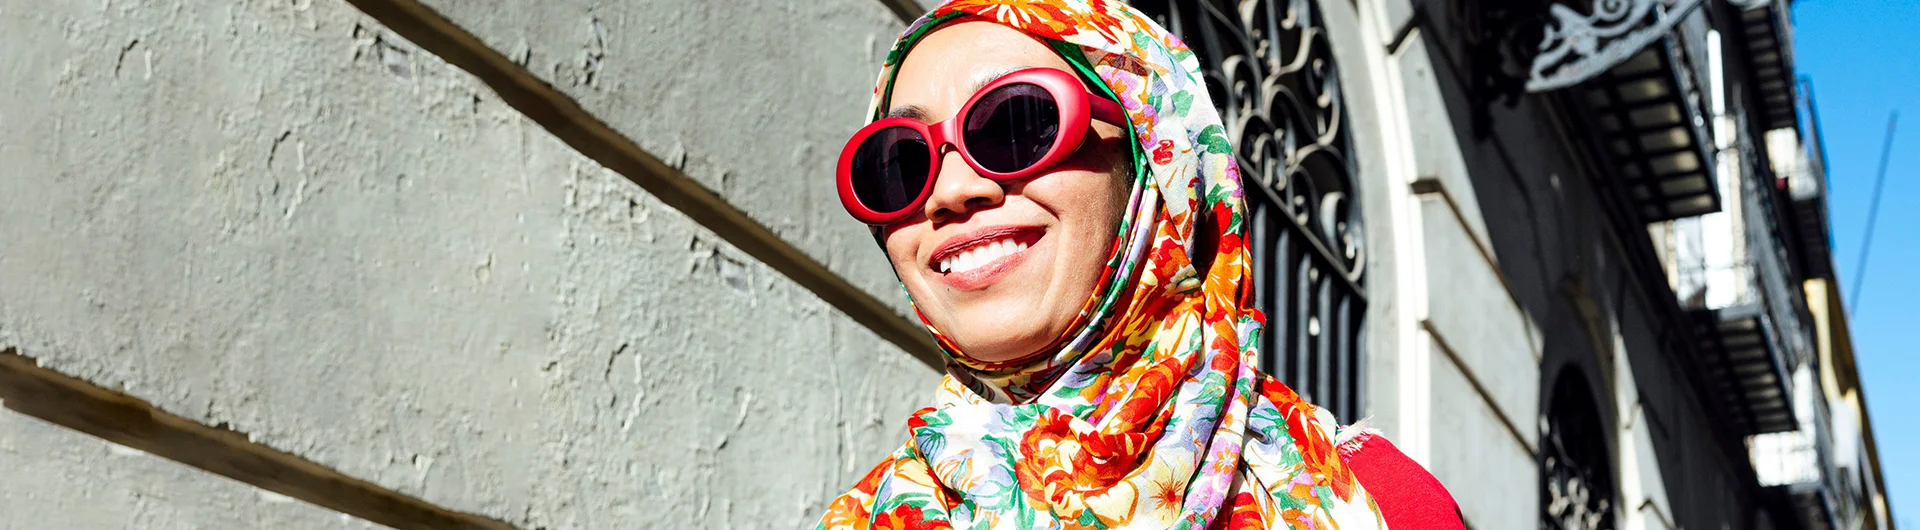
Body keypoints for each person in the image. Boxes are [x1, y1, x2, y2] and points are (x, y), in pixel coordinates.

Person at [820, 1, 1464, 528]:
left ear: (1156, 161)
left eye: (1017, 122)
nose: (951, 190)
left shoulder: (1383, 504)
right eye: (899, 159)